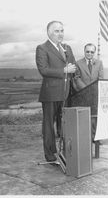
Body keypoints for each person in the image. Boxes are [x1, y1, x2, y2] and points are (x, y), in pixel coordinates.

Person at [35, 21, 77, 162]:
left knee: (64, 124)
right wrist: (64, 70)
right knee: (49, 126)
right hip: (50, 94)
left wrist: (73, 72)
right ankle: (50, 155)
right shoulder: (42, 48)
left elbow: (73, 66)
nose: (60, 34)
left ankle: (64, 152)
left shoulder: (67, 48)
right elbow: (44, 70)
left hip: (66, 93)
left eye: (62, 31)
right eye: (57, 31)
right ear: (49, 33)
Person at [73, 43, 104, 143]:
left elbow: (101, 78)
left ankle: (95, 138)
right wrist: (86, 89)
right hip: (83, 94)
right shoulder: (78, 63)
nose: (89, 53)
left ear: (94, 52)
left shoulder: (99, 63)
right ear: (84, 51)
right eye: (87, 51)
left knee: (95, 116)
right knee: (84, 116)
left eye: (92, 52)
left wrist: (94, 89)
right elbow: (76, 78)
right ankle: (85, 138)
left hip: (95, 94)